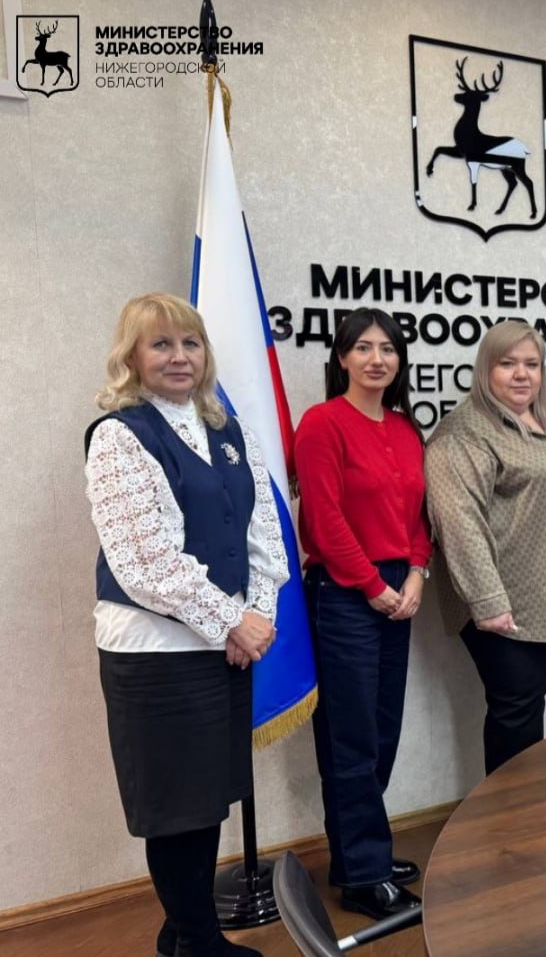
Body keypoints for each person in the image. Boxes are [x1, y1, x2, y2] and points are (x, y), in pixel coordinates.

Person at [85, 293, 287, 957]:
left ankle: (181, 936)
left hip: (222, 648)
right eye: (161, 344)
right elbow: (146, 562)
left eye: (190, 343)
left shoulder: (230, 432)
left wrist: (255, 618)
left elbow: (265, 537)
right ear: (132, 356)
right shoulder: (120, 435)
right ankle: (199, 942)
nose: (179, 357)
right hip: (157, 653)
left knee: (206, 800)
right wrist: (233, 623)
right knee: (176, 810)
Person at [425, 321, 546, 774]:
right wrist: (487, 600)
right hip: (504, 599)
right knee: (516, 712)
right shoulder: (464, 431)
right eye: (507, 363)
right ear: (485, 368)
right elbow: (458, 521)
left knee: (527, 704)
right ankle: (507, 813)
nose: (522, 374)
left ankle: (526, 805)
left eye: (532, 364)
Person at [294, 308, 430, 920]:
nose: (378, 359)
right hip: (347, 593)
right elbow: (324, 519)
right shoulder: (322, 423)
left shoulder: (404, 428)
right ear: (342, 357)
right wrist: (373, 585)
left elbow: (418, 517)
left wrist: (418, 573)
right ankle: (363, 876)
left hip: (400, 590)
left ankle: (358, 855)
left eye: (388, 348)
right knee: (350, 737)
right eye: (364, 348)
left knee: (381, 731)